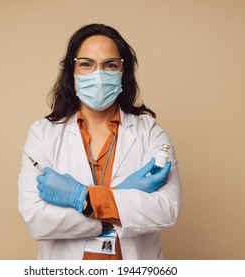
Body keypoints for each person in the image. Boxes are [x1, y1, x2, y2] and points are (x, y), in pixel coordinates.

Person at [18, 23, 181, 260]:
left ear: (123, 72)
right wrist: (119, 202)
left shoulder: (150, 133)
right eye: (86, 64)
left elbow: (165, 210)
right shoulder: (43, 134)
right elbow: (37, 221)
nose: (98, 74)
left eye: (110, 65)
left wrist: (81, 198)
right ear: (71, 72)